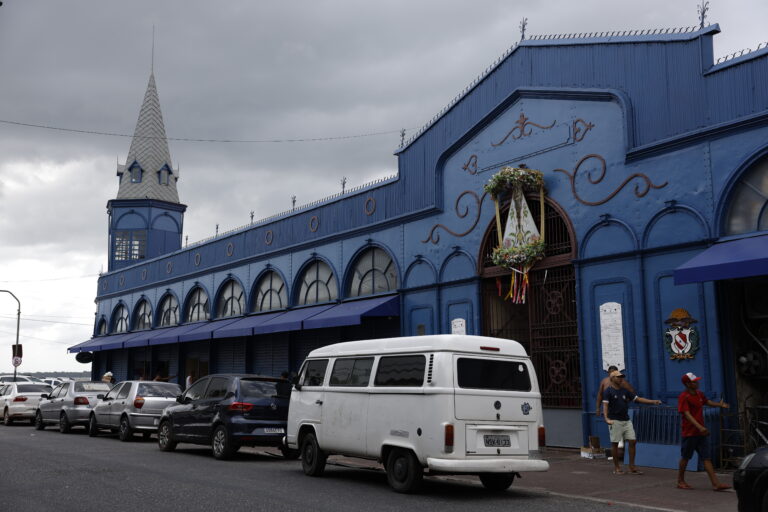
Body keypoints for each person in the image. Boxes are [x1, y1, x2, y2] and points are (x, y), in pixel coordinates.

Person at [676, 372, 731, 491]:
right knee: (685, 457)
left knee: (706, 458)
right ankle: (680, 481)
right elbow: (687, 414)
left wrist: (719, 404)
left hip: (701, 433)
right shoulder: (684, 396)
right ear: (688, 384)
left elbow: (707, 402)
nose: (697, 383)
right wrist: (700, 427)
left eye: (697, 380)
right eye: (694, 381)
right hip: (690, 433)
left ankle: (716, 484)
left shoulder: (699, 394)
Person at [602, 369, 661, 475]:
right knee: (615, 444)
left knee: (632, 441)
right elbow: (605, 406)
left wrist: (652, 401)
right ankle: (617, 468)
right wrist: (606, 418)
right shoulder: (608, 391)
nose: (621, 379)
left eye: (621, 377)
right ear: (612, 378)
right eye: (618, 377)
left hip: (626, 420)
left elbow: (638, 399)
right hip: (614, 420)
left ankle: (632, 466)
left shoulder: (625, 391)